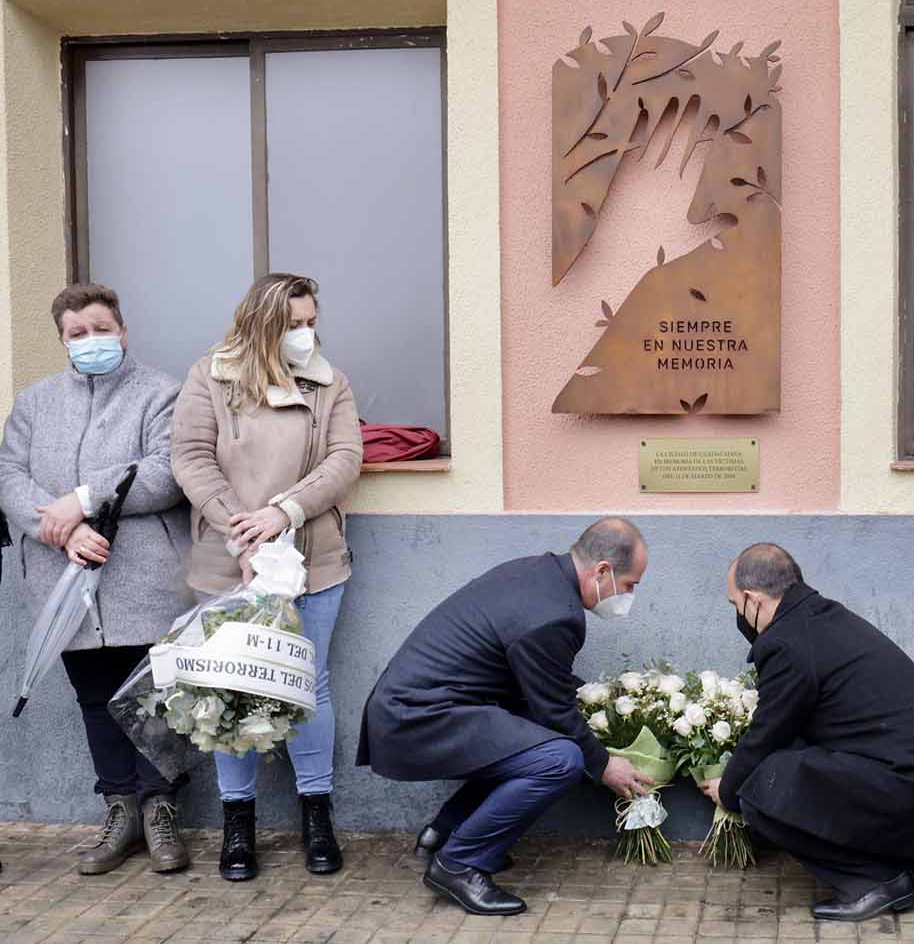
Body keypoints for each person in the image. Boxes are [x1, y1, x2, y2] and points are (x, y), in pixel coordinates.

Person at [356, 518, 657, 917]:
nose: (629, 595)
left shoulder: (535, 573)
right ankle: (459, 864)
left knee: (528, 745)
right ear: (602, 570)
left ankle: (442, 835)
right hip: (418, 720)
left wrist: (605, 699)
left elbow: (541, 681)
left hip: (413, 709)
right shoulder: (556, 614)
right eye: (631, 584)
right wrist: (603, 764)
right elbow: (554, 711)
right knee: (560, 760)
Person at [171, 273, 362, 881]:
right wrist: (241, 527)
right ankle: (237, 823)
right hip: (227, 562)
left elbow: (345, 458)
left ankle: (316, 814)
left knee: (311, 688)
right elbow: (191, 457)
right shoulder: (211, 376)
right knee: (227, 690)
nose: (307, 334)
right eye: (294, 324)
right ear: (263, 326)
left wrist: (285, 511)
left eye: (312, 321)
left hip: (314, 558)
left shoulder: (330, 382)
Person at [0, 283, 192, 875]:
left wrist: (83, 498)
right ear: (62, 340)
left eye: (101, 329)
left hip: (146, 578)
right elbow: (10, 478)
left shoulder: (160, 393)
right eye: (77, 334)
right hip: (65, 581)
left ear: (123, 331)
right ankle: (119, 812)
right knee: (95, 700)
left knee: (158, 697)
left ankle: (161, 811)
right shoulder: (34, 404)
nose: (91, 341)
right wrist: (60, 528)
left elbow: (166, 472)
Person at [696, 543, 914, 923]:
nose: (738, 615)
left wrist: (728, 790)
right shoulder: (817, 616)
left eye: (734, 605)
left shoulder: (787, 643)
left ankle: (878, 880)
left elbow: (769, 731)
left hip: (913, 780)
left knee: (762, 789)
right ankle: (896, 867)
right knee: (790, 765)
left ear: (752, 600)